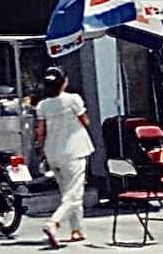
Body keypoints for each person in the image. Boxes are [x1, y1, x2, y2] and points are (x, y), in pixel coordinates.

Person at [34, 66, 94, 249]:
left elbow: (40, 131)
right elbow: (85, 121)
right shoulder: (73, 99)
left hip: (53, 152)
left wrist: (42, 150)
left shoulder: (42, 105)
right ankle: (54, 223)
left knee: (68, 192)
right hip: (74, 151)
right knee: (74, 194)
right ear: (64, 82)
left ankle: (77, 230)